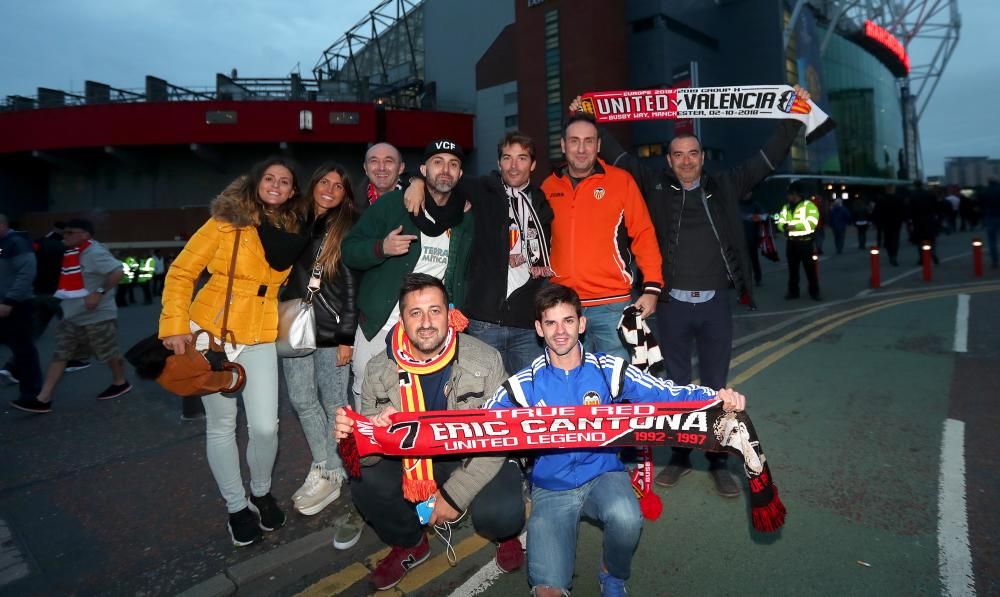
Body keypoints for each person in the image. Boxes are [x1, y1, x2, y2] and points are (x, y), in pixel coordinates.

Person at [580, 85, 810, 496]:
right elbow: (615, 155)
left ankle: (719, 460)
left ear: (702, 158)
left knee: (717, 384)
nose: (686, 161)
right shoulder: (653, 185)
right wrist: (588, 115)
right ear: (669, 160)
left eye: (693, 154)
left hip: (716, 305)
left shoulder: (724, 185)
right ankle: (683, 456)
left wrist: (794, 116)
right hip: (670, 307)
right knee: (677, 385)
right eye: (678, 154)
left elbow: (767, 159)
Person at [484, 283, 747, 596]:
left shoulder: (609, 369)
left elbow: (665, 395)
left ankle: (612, 573)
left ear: (581, 324)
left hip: (602, 473)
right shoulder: (522, 385)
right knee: (547, 592)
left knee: (626, 518)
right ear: (539, 329)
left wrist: (715, 398)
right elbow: (480, 425)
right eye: (551, 323)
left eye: (568, 321)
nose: (560, 331)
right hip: (551, 488)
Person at [333, 274, 525, 591]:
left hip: (472, 453)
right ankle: (411, 543)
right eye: (415, 313)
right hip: (412, 459)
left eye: (434, 311)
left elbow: (501, 436)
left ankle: (505, 535)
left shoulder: (484, 359)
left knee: (502, 513)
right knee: (365, 483)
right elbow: (363, 461)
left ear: (449, 314)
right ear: (402, 319)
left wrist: (453, 495)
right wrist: (351, 441)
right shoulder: (379, 370)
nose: (426, 323)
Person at [159, 157, 310, 547]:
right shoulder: (227, 221)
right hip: (211, 333)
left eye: (285, 181)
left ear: (293, 190)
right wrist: (175, 326)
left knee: (265, 426)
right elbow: (181, 272)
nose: (276, 185)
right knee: (222, 426)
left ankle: (260, 491)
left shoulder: (293, 228)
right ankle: (237, 506)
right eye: (269, 179)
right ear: (257, 183)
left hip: (259, 333)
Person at [404, 131, 553, 373]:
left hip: (527, 326)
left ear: (533, 164)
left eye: (522, 158)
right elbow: (442, 177)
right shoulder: (484, 189)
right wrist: (416, 181)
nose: (514, 166)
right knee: (483, 400)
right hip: (483, 322)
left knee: (529, 402)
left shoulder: (542, 204)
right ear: (498, 162)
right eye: (507, 158)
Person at [343, 139, 474, 404]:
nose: (445, 170)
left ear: (460, 174)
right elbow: (349, 250)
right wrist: (382, 248)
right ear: (424, 170)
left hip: (432, 327)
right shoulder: (393, 204)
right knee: (369, 393)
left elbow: (464, 269)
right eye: (437, 163)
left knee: (427, 399)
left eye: (453, 164)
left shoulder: (465, 215)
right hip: (383, 322)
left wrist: (457, 306)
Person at [279, 163, 362, 545]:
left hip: (330, 330)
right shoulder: (293, 220)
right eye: (324, 182)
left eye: (338, 185)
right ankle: (326, 464)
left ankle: (334, 469)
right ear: (312, 186)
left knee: (334, 402)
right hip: (294, 325)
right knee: (300, 398)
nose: (330, 189)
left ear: (346, 193)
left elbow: (349, 285)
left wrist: (347, 336)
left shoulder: (344, 227)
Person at [542, 112, 663, 360]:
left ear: (598, 145)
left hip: (612, 306)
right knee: (571, 386)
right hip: (563, 306)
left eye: (589, 141)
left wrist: (652, 289)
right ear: (563, 145)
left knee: (618, 385)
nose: (582, 148)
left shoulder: (621, 182)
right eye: (574, 141)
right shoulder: (548, 187)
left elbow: (643, 233)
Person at [9, 218, 130, 414]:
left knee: (108, 353)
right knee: (61, 354)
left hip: (96, 315)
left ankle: (120, 382)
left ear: (85, 235)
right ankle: (43, 399)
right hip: (72, 315)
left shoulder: (95, 252)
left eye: (69, 233)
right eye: (64, 232)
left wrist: (98, 292)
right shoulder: (71, 253)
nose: (64, 236)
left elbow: (117, 271)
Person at [0, 214, 42, 406]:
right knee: (21, 349)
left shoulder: (16, 243)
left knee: (23, 350)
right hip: (7, 303)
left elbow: (27, 273)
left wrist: (10, 301)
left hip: (16, 306)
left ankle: (31, 394)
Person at [776, 182, 821, 301]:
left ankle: (814, 292)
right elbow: (780, 222)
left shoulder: (808, 206)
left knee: (810, 269)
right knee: (792, 270)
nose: (787, 197)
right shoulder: (786, 207)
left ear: (795, 194)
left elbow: (812, 222)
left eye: (789, 194)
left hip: (805, 242)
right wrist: (784, 227)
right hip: (791, 243)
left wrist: (794, 227)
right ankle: (793, 292)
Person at [356, 142, 407, 214]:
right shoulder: (352, 202)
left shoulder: (416, 198)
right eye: (374, 161)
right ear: (365, 168)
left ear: (401, 168)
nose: (381, 168)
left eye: (388, 161)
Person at [872, 186, 905, 266]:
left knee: (888, 239)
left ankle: (890, 255)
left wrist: (877, 222)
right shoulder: (898, 199)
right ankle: (894, 255)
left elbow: (876, 212)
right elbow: (903, 211)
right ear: (893, 190)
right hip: (896, 223)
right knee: (895, 240)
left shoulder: (881, 200)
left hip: (885, 223)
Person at [980, 178, 1000, 269]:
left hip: (990, 216)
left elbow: (980, 204)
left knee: (992, 240)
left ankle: (994, 261)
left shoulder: (984, 192)